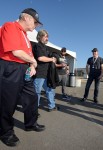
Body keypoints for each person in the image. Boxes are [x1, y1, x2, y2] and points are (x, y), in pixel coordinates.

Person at [0, 8, 45, 147]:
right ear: (27, 18)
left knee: (31, 97)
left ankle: (30, 124)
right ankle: (5, 132)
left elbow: (29, 55)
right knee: (8, 102)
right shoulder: (10, 26)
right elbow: (16, 51)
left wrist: (31, 65)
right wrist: (33, 62)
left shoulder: (25, 35)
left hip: (24, 68)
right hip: (10, 67)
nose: (36, 26)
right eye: (36, 22)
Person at [33, 30, 58, 112]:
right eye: (45, 36)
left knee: (50, 90)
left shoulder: (45, 48)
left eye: (48, 37)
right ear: (40, 37)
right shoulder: (37, 46)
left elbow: (47, 58)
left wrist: (53, 58)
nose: (47, 38)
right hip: (39, 74)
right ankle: (34, 111)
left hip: (46, 74)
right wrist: (51, 59)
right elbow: (40, 58)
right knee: (37, 93)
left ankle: (52, 106)